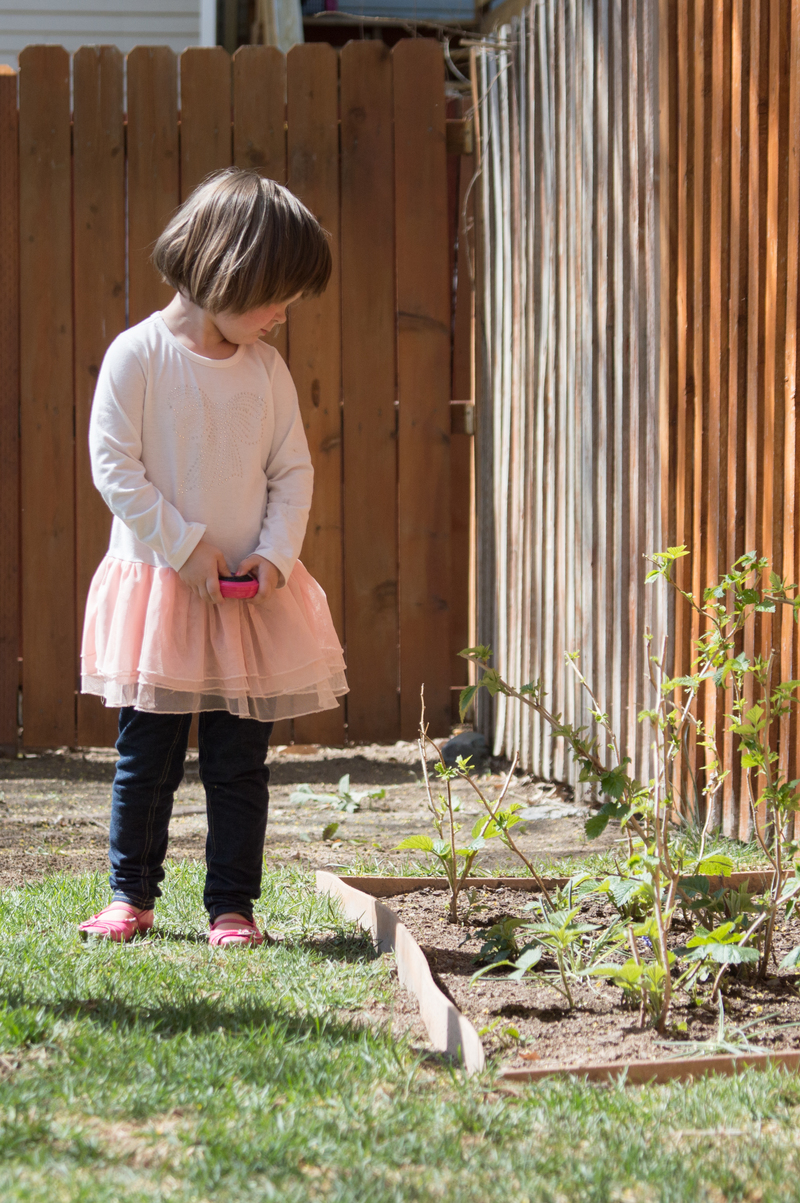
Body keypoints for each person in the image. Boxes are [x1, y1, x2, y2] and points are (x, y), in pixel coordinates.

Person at [78, 168, 347, 947]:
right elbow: (113, 464)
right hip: (163, 598)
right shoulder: (139, 357)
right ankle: (132, 894)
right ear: (227, 270)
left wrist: (274, 559)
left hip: (246, 605)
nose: (283, 317)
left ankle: (232, 906)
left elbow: (291, 471)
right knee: (147, 759)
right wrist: (184, 545)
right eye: (276, 299)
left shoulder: (265, 373)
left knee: (239, 765)